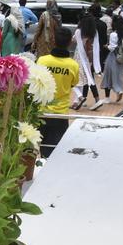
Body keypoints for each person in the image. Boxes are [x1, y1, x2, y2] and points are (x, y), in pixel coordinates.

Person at [37, 27, 80, 157]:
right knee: (52, 154)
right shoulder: (73, 65)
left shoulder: (42, 60)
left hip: (40, 112)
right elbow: (73, 83)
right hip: (59, 116)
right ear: (70, 43)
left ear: (54, 40)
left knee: (30, 153)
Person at [71, 10, 102, 110]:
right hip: (89, 57)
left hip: (79, 57)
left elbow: (74, 40)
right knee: (88, 78)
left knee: (75, 79)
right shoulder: (93, 32)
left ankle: (80, 97)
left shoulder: (79, 31)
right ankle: (93, 100)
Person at [101, 15, 123, 105]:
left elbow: (112, 48)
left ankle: (107, 98)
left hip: (112, 57)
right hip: (120, 58)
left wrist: (106, 46)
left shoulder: (113, 34)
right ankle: (119, 90)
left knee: (108, 76)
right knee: (118, 76)